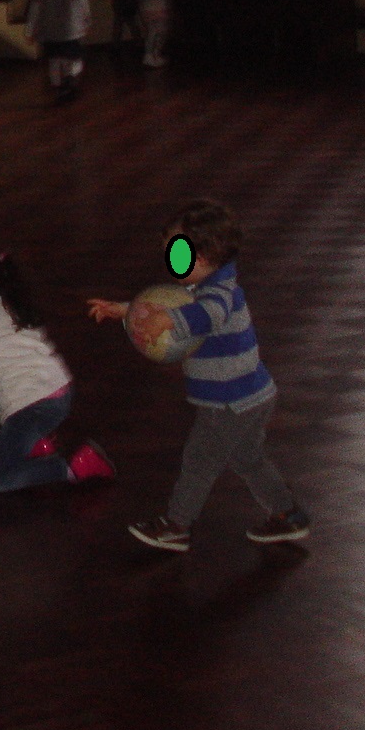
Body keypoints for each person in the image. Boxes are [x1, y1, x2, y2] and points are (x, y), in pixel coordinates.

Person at [88, 200, 309, 552]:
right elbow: (173, 307)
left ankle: (177, 525)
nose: (170, 262)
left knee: (199, 461)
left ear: (203, 257)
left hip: (230, 402)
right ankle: (288, 514)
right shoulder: (201, 288)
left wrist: (169, 320)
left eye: (177, 254)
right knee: (248, 458)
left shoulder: (221, 293)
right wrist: (126, 311)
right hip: (250, 396)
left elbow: (205, 315)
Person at [0, 243, 114, 492]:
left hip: (33, 406)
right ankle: (38, 441)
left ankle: (74, 467)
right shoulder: (13, 301)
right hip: (59, 390)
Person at [24, 0, 91, 104]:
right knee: (74, 59)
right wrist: (87, 22)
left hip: (50, 31)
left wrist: (30, 31)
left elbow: (34, 10)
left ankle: (59, 87)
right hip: (71, 30)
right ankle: (69, 79)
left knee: (54, 60)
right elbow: (84, 6)